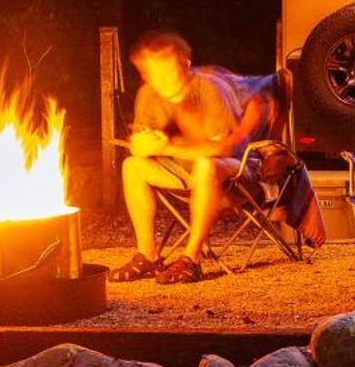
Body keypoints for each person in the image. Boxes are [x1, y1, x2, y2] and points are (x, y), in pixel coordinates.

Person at [110, 29, 274, 285]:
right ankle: (148, 254)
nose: (158, 79)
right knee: (133, 166)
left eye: (165, 70)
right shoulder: (149, 94)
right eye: (151, 72)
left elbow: (223, 149)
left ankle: (191, 259)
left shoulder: (208, 88)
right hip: (185, 172)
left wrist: (166, 148)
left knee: (206, 165)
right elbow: (145, 142)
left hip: (238, 173)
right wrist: (141, 146)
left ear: (185, 65)